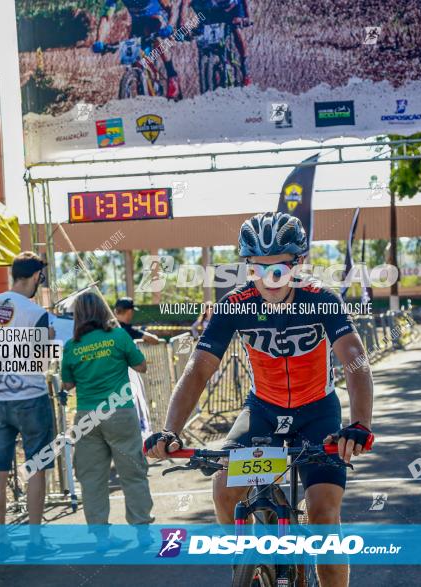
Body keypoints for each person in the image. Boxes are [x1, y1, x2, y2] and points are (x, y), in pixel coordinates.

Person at [145, 212, 374, 587]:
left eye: (278, 270)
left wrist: (360, 423)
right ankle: (249, 567)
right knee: (223, 490)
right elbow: (198, 370)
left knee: (324, 517)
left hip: (318, 413)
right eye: (256, 270)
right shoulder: (236, 304)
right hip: (262, 413)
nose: (267, 280)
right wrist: (170, 430)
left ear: (297, 264)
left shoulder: (321, 299)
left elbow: (355, 359)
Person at [0, 252, 58, 560]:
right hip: (31, 395)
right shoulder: (35, 312)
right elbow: (42, 359)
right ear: (36, 276)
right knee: (37, 467)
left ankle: (0, 541)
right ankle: (35, 541)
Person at [61, 291, 153, 551]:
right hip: (119, 412)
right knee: (133, 473)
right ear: (104, 311)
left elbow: (68, 384)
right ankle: (142, 532)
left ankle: (101, 537)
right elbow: (141, 366)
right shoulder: (118, 337)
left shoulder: (71, 346)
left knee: (92, 479)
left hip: (87, 417)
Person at [93, 0, 183, 100]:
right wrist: (99, 40)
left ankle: (172, 75)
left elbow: (172, 9)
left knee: (157, 38)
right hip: (138, 23)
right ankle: (139, 78)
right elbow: (106, 17)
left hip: (157, 17)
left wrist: (170, 26)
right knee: (134, 53)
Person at [188, 0, 252, 86]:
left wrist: (247, 16)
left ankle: (245, 69)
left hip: (233, 6)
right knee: (202, 28)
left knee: (237, 30)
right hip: (213, 8)